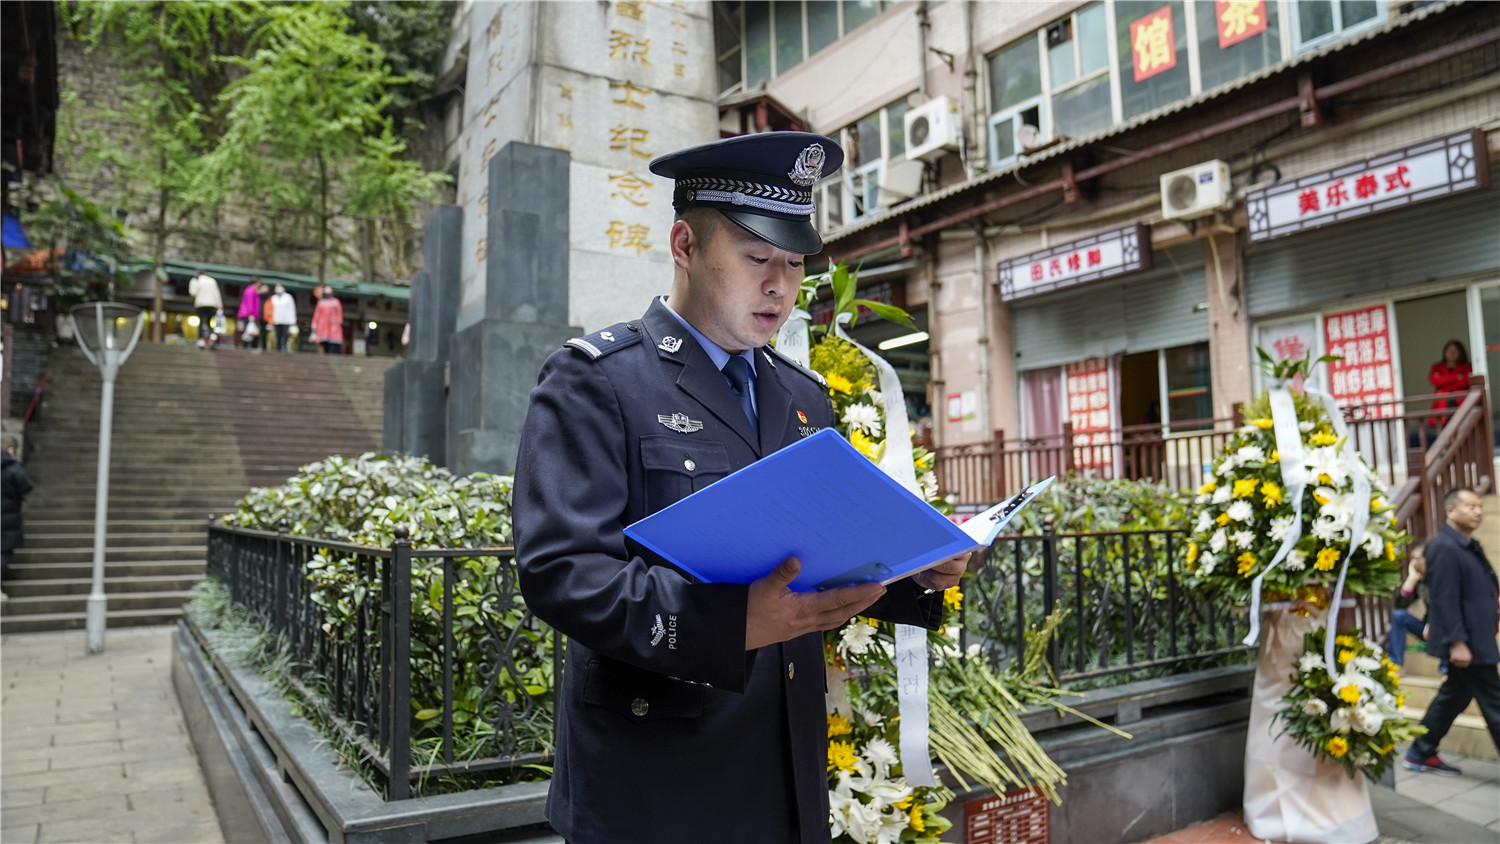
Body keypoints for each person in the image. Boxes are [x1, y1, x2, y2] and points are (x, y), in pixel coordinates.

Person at [513, 133, 969, 844]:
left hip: (785, 776)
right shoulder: (598, 380)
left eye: (793, 263)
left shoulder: (801, 395)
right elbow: (562, 574)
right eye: (757, 259)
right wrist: (736, 622)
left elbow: (817, 557)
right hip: (658, 786)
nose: (780, 286)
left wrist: (918, 571)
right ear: (685, 244)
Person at [1403, 488, 1500, 775]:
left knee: (1454, 695)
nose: (1478, 511)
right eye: (1470, 506)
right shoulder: (1444, 547)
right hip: (1468, 641)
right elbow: (1444, 598)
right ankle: (1420, 751)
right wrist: (1457, 642)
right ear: (1450, 511)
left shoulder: (1466, 544)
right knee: (1495, 702)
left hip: (1477, 637)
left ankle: (1420, 751)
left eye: (1480, 506)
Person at [1388, 539, 1431, 667]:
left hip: (1444, 626)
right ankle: (1395, 664)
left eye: (1418, 559)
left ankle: (1446, 670)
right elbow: (1400, 605)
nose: (1414, 563)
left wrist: (1434, 623)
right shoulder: (1420, 579)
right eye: (1413, 559)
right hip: (1427, 628)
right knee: (1399, 616)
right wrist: (1411, 580)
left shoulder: (1442, 576)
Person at [2, 435, 34, 600]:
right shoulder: (11, 466)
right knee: (4, 552)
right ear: (11, 449)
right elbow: (26, 485)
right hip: (7, 516)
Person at [1428, 340, 1472, 428]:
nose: (1452, 353)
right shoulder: (1437, 366)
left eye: (1455, 350)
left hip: (1460, 403)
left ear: (1461, 352)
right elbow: (1435, 381)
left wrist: (1443, 381)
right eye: (1449, 350)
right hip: (1442, 405)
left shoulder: (1467, 366)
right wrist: (1456, 378)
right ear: (1445, 352)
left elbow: (1465, 382)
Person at [188, 269, 222, 348]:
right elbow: (217, 294)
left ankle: (201, 340)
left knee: (201, 322)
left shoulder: (197, 281)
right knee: (209, 322)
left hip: (201, 304)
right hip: (212, 304)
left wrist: (193, 282)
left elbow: (193, 292)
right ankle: (212, 336)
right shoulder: (212, 281)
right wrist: (219, 305)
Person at [312, 284, 344, 355]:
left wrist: (338, 322)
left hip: (333, 326)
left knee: (333, 345)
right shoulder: (321, 303)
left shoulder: (336, 302)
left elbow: (339, 314)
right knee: (324, 345)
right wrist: (314, 324)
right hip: (323, 326)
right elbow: (317, 314)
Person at [236, 276, 263, 350]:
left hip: (250, 314)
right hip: (249, 314)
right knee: (248, 332)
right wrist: (251, 314)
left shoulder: (251, 290)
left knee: (251, 332)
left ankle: (249, 347)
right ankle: (246, 347)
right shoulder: (251, 290)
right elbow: (250, 303)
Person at [270, 284, 297, 353]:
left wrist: (293, 320)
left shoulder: (288, 297)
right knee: (278, 335)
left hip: (286, 320)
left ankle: (284, 348)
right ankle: (278, 349)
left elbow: (291, 309)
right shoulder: (273, 298)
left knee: (285, 335)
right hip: (276, 320)